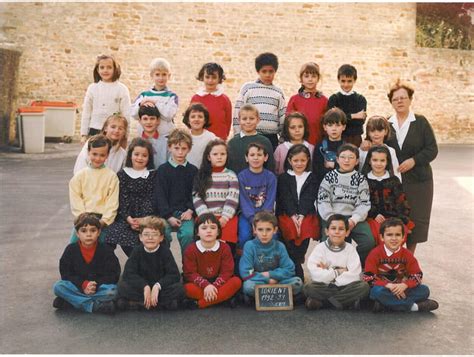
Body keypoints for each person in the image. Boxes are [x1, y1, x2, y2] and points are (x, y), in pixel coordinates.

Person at [385, 80, 438, 253]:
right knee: (395, 222)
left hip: (419, 182)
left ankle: (408, 260)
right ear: (391, 102)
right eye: (395, 99)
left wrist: (414, 160)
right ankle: (393, 260)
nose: (399, 101)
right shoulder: (387, 123)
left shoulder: (421, 122)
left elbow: (432, 149)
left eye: (403, 98)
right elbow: (376, 142)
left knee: (414, 222)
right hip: (394, 182)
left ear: (410, 100)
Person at [363, 218, 439, 312]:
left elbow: (417, 275)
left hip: (402, 288)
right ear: (382, 237)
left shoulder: (407, 254)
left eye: (398, 235)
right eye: (389, 235)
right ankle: (413, 307)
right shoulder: (374, 254)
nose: (394, 238)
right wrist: (387, 285)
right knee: (376, 292)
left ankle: (386, 305)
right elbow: (368, 278)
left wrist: (405, 285)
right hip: (384, 288)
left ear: (403, 237)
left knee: (424, 290)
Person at [317, 143, 374, 266]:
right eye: (343, 157)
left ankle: (354, 263)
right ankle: (330, 267)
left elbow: (364, 203)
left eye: (351, 157)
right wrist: (331, 218)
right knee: (328, 242)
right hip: (332, 217)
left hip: (352, 217)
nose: (346, 160)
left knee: (369, 241)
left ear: (357, 161)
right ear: (337, 159)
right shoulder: (329, 177)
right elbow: (323, 200)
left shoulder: (360, 179)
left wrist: (354, 220)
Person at [52, 213, 120, 314]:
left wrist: (94, 286)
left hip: (98, 288)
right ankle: (93, 306)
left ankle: (71, 301)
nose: (88, 234)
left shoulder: (106, 250)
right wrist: (83, 284)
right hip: (78, 287)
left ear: (99, 232)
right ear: (77, 233)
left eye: (93, 230)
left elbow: (113, 274)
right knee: (58, 287)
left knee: (113, 291)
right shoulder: (70, 250)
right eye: (84, 231)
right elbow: (66, 274)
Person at [117, 216, 185, 311]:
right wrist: (145, 287)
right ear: (141, 237)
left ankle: (141, 303)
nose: (150, 238)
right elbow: (129, 273)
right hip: (142, 287)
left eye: (154, 234)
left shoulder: (165, 252)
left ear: (161, 238)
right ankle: (157, 303)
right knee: (121, 286)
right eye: (146, 234)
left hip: (160, 287)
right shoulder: (137, 251)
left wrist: (157, 286)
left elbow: (173, 275)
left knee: (179, 288)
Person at [303, 214, 369, 310]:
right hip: (325, 286)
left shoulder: (350, 249)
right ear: (327, 231)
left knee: (364, 287)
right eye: (333, 228)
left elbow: (354, 274)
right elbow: (315, 273)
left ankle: (323, 303)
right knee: (308, 287)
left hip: (345, 286)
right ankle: (344, 302)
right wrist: (338, 272)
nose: (337, 232)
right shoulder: (320, 248)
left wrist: (329, 275)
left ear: (347, 232)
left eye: (341, 229)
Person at [239, 211, 303, 305]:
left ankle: (261, 297)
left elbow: (289, 269)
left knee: (297, 282)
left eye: (268, 229)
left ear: (275, 230)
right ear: (254, 229)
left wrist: (269, 274)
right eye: (260, 230)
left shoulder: (280, 246)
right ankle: (280, 296)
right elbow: (246, 273)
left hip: (278, 281)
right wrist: (267, 280)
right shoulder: (249, 246)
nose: (264, 234)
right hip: (259, 282)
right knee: (248, 286)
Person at [106, 138, 156, 257]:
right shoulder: (122, 174)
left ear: (149, 158)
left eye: (144, 155)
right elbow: (121, 199)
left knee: (149, 237)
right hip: (125, 216)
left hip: (147, 216)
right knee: (112, 235)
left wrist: (143, 219)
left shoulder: (153, 175)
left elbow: (151, 198)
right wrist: (128, 218)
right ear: (130, 155)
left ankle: (144, 265)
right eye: (136, 154)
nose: (140, 158)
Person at [276, 144, 319, 281]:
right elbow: (285, 197)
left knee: (306, 228)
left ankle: (298, 259)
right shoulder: (283, 178)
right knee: (289, 228)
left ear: (308, 160)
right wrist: (294, 215)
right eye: (296, 160)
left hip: (306, 213)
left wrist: (301, 215)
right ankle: (295, 266)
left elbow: (309, 197)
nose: (299, 163)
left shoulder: (312, 177)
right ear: (289, 160)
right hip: (287, 213)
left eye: (303, 160)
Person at [182, 213, 242, 309]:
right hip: (199, 284)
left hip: (219, 282)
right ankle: (220, 298)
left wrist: (213, 286)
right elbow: (190, 273)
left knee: (236, 282)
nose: (209, 231)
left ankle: (200, 304)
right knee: (186, 288)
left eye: (213, 228)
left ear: (218, 232)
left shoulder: (225, 248)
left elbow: (227, 272)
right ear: (197, 232)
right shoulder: (191, 249)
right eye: (204, 228)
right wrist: (206, 286)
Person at [153, 129, 198, 256]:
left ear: (189, 149)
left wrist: (190, 210)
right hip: (167, 214)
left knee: (188, 234)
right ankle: (165, 266)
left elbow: (196, 193)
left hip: (186, 213)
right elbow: (160, 195)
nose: (180, 152)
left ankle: (188, 269)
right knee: (163, 233)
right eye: (176, 148)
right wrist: (168, 216)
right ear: (169, 147)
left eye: (184, 148)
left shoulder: (193, 170)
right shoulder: (163, 170)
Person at [69, 134, 119, 243]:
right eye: (94, 154)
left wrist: (104, 221)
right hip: (83, 219)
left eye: (102, 155)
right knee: (72, 248)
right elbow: (75, 198)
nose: (97, 158)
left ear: (107, 155)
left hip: (102, 221)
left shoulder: (111, 177)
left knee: (103, 251)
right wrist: (82, 218)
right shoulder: (80, 176)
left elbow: (112, 202)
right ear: (88, 152)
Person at [193, 139, 239, 255]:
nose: (219, 157)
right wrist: (206, 217)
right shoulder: (201, 175)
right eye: (215, 154)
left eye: (223, 154)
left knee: (227, 242)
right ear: (209, 157)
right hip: (205, 216)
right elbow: (197, 198)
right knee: (204, 236)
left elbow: (232, 198)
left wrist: (225, 217)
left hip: (226, 217)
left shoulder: (231, 175)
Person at [361, 145, 414, 245]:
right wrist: (374, 214)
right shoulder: (364, 180)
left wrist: (402, 220)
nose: (378, 164)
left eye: (382, 160)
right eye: (375, 160)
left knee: (395, 236)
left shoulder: (394, 180)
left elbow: (402, 202)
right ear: (369, 161)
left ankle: (393, 260)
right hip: (372, 218)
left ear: (387, 162)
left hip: (393, 218)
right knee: (377, 236)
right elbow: (362, 202)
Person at [233, 52, 286, 150]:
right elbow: (238, 112)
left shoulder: (278, 92)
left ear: (275, 71)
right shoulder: (248, 88)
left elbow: (282, 117)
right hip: (250, 135)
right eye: (264, 71)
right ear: (258, 71)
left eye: (271, 71)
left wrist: (282, 141)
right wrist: (237, 135)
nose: (267, 74)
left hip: (271, 138)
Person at [80, 54, 130, 144]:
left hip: (114, 132)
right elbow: (86, 112)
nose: (105, 70)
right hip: (94, 130)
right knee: (96, 157)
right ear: (97, 70)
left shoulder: (122, 89)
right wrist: (84, 134)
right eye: (102, 67)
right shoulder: (92, 88)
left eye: (109, 67)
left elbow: (126, 114)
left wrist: (125, 136)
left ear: (115, 69)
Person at [237, 142, 277, 252]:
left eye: (259, 155)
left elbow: (270, 200)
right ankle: (244, 259)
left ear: (265, 157)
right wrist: (253, 219)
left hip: (266, 215)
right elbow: (244, 201)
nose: (256, 158)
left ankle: (267, 260)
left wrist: (262, 219)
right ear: (246, 158)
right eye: (252, 155)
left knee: (273, 236)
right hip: (247, 215)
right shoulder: (242, 177)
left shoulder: (270, 177)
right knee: (244, 236)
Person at [131, 57, 178, 137]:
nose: (161, 78)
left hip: (165, 137)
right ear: (151, 75)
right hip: (145, 137)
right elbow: (133, 114)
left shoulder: (172, 96)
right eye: (157, 74)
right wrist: (141, 104)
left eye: (164, 74)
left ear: (169, 76)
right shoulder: (144, 95)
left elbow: (169, 115)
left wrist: (155, 103)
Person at [286, 62, 328, 146]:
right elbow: (288, 123)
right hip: (299, 145)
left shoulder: (324, 100)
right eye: (306, 76)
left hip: (319, 143)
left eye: (313, 76)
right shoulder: (294, 100)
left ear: (318, 78)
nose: (310, 79)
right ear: (301, 79)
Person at [227, 104, 275, 174]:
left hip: (260, 183)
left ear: (258, 120)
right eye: (244, 119)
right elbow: (229, 167)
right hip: (237, 182)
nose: (248, 122)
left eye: (251, 118)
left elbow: (270, 167)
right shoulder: (232, 143)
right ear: (239, 120)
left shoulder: (265, 141)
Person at [327, 64, 367, 147]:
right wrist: (354, 116)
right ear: (338, 80)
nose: (346, 84)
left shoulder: (360, 99)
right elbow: (333, 121)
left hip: (355, 138)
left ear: (354, 80)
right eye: (343, 81)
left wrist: (342, 116)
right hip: (338, 138)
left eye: (349, 81)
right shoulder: (334, 99)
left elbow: (360, 122)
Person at [190, 62, 232, 140]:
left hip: (219, 140)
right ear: (202, 77)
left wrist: (223, 138)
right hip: (200, 139)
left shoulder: (225, 99)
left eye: (214, 77)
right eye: (207, 77)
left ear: (219, 78)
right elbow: (191, 120)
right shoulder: (196, 99)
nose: (210, 80)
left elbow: (228, 122)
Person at [358, 115, 401, 181]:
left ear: (386, 131)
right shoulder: (363, 150)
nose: (376, 134)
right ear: (368, 132)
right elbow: (359, 170)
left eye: (380, 130)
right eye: (372, 131)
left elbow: (396, 171)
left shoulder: (390, 150)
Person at [312, 107, 347, 186]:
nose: (334, 129)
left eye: (337, 125)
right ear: (325, 127)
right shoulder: (320, 146)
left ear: (343, 127)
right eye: (330, 125)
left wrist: (333, 165)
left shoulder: (347, 147)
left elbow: (349, 169)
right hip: (323, 185)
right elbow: (316, 169)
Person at [182, 102, 217, 168]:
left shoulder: (211, 138)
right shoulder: (184, 137)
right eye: (193, 117)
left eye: (200, 117)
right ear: (188, 120)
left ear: (205, 120)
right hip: (186, 172)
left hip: (204, 173)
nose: (196, 119)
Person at [137, 105, 168, 170]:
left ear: (158, 121)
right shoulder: (135, 143)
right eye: (145, 119)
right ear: (140, 121)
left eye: (152, 118)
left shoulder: (166, 143)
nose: (149, 122)